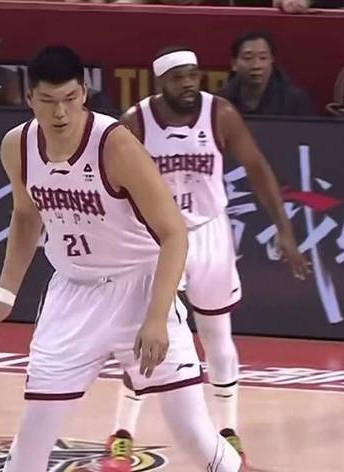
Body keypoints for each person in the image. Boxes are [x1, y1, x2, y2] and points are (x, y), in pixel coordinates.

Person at [0, 45, 243, 472]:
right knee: (32, 438)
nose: (60, 112)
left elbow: (173, 233)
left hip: (139, 287)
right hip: (72, 295)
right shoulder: (17, 146)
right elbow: (25, 216)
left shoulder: (115, 146)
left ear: (84, 92)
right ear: (30, 98)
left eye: (69, 98)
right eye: (48, 101)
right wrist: (4, 296)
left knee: (192, 432)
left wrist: (156, 317)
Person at [104, 47, 311, 470]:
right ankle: (122, 433)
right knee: (148, 336)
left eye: (193, 75)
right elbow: (114, 188)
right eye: (178, 77)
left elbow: (257, 168)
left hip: (209, 233)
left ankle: (229, 431)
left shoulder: (220, 114)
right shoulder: (135, 123)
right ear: (160, 82)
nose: (188, 83)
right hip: (158, 238)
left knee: (217, 334)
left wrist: (285, 230)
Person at [217, 31, 314, 116]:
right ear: (234, 64)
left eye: (263, 58)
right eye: (248, 58)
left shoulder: (295, 101)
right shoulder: (220, 101)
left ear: (272, 61)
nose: (256, 65)